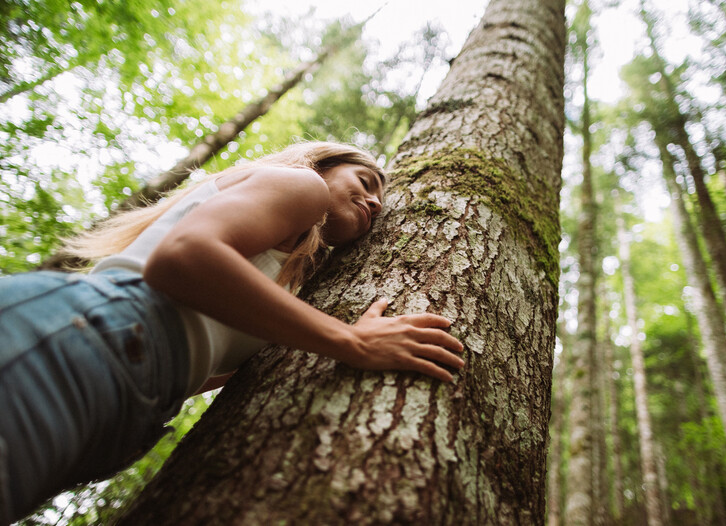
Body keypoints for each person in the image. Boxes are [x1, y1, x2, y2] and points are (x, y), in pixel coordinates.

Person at [0, 141, 465, 524]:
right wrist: (351, 340)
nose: (376, 200)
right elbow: (183, 256)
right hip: (95, 335)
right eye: (365, 182)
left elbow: (200, 365)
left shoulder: (276, 279)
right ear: (325, 165)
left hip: (122, 393)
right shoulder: (304, 186)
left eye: (380, 199)